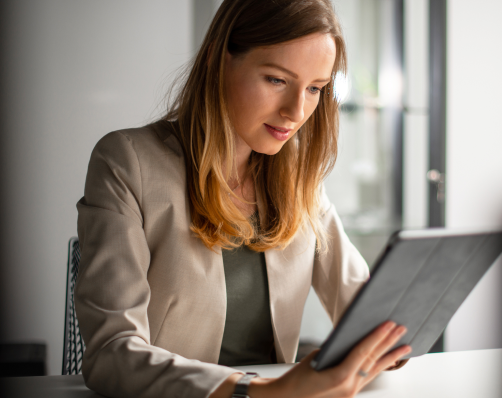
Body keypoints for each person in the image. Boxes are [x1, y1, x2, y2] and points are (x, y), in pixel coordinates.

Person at [74, 0, 410, 397]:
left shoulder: (297, 173)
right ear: (220, 60)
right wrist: (260, 391)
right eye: (276, 80)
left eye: (316, 88)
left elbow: (369, 311)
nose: (295, 112)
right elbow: (112, 353)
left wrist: (395, 326)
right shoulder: (128, 161)